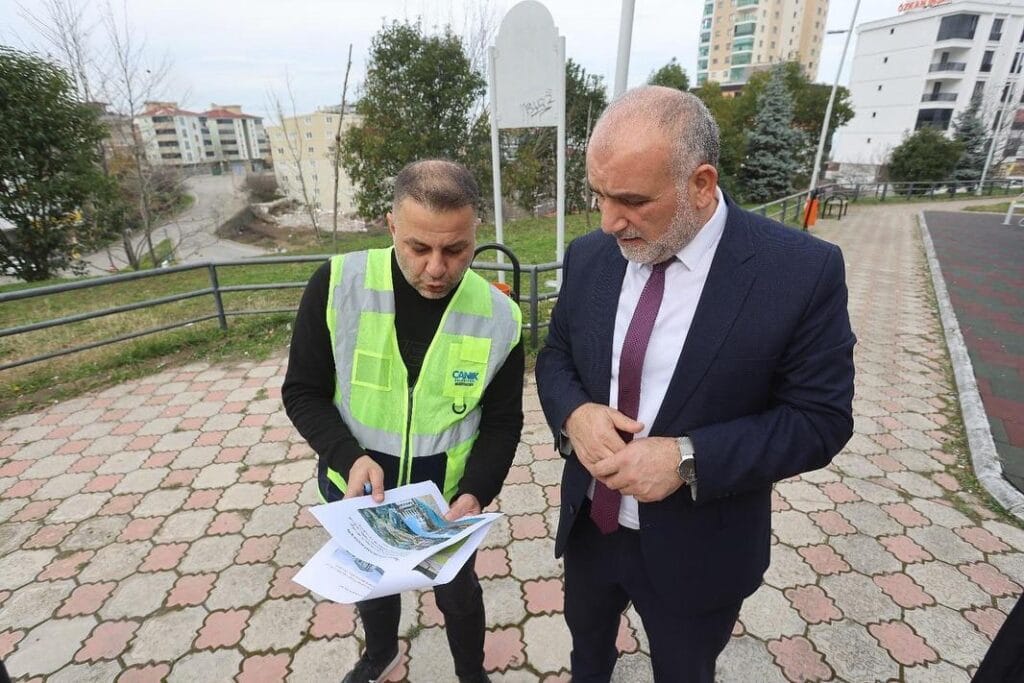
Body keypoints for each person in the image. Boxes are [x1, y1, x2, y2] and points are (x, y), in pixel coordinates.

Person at [535, 86, 856, 682]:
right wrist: (575, 413)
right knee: (587, 657)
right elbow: (555, 358)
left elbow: (821, 420)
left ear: (701, 184)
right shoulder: (589, 257)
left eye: (631, 200)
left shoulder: (800, 272)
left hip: (699, 548)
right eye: (598, 195)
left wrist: (688, 458)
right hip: (591, 526)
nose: (608, 222)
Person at [283, 159, 524, 683]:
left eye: (456, 250)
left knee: (460, 596)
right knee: (375, 588)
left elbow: (503, 422)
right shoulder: (336, 284)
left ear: (474, 233)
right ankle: (380, 656)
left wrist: (477, 491)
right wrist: (349, 458)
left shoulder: (499, 316)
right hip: (359, 494)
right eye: (419, 248)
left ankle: (471, 673)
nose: (437, 268)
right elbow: (303, 392)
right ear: (391, 226)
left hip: (447, 504)